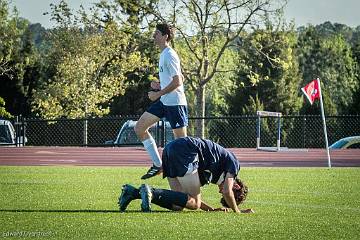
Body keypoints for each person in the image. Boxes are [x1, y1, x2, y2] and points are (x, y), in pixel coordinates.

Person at [118, 137, 254, 213]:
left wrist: (211, 210)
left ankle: (133, 192)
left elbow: (188, 198)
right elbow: (226, 191)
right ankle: (151, 192)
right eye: (229, 195)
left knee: (179, 204)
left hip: (170, 149)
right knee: (194, 203)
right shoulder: (234, 165)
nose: (221, 191)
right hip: (185, 151)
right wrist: (238, 211)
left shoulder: (213, 173)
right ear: (235, 185)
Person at [135, 23, 188, 180]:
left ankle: (191, 174)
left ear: (165, 36)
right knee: (139, 128)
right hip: (165, 102)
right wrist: (159, 86)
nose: (154, 36)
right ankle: (158, 165)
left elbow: (178, 81)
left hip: (176, 104)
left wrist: (157, 94)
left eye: (157, 33)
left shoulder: (170, 54)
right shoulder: (163, 54)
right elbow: (179, 78)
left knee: (182, 144)